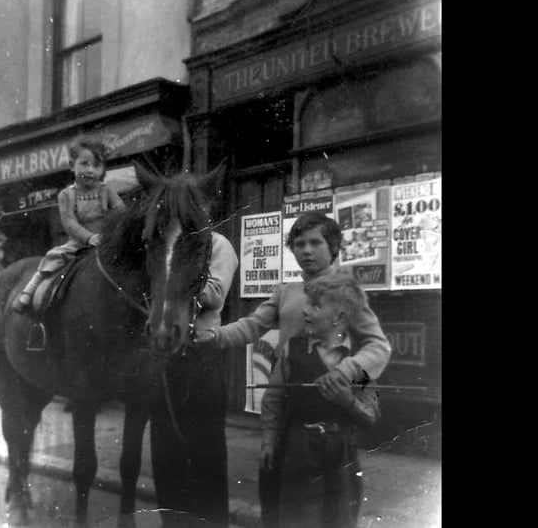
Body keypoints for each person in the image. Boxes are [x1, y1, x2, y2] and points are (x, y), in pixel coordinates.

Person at [192, 212, 391, 528]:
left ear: (334, 246)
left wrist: (347, 371)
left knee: (333, 508)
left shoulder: (346, 291)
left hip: (332, 409)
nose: (306, 250)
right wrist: (215, 336)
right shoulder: (287, 292)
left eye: (316, 242)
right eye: (299, 244)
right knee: (282, 504)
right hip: (287, 408)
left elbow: (379, 347)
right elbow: (253, 325)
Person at [262, 273, 383, 528]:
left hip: (342, 454)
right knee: (296, 518)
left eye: (315, 306)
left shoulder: (358, 362)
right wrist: (270, 439)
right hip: (298, 451)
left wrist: (346, 400)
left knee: (339, 519)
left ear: (339, 318)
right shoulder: (291, 350)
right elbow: (273, 398)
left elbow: (370, 415)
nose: (305, 311)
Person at [150, 230, 239, 528]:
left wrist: (173, 286)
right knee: (165, 453)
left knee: (206, 453)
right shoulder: (164, 247)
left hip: (201, 353)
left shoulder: (217, 245)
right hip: (163, 355)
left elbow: (214, 293)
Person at [12, 138, 125, 317]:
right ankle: (29, 291)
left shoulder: (106, 190)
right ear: (72, 166)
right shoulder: (67, 195)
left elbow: (120, 211)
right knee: (53, 258)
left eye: (96, 166)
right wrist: (89, 237)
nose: (90, 170)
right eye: (84, 164)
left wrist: (114, 228)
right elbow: (70, 222)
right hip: (80, 242)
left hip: (105, 240)